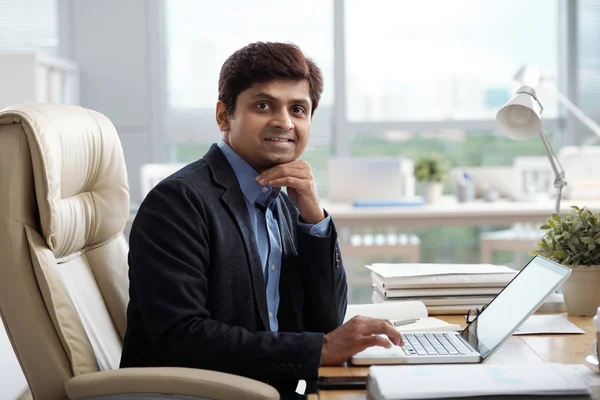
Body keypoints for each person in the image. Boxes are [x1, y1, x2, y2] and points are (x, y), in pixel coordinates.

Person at [120, 41, 402, 395]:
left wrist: (313, 218)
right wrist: (321, 349)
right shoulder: (179, 201)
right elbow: (180, 336)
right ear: (225, 116)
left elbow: (325, 322)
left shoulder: (280, 202)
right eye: (263, 105)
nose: (284, 122)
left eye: (298, 109)